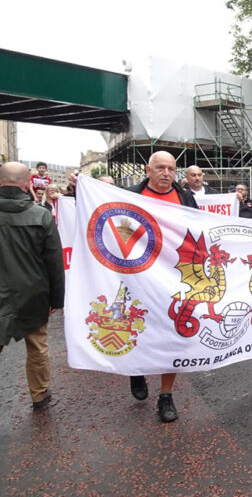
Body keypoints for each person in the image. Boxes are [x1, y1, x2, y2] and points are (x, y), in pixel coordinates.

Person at [70, 151, 199, 422]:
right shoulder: (128, 195)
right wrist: (78, 188)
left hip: (170, 279)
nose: (166, 173)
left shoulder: (186, 197)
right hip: (134, 277)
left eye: (171, 168)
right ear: (147, 170)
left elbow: (198, 232)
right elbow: (99, 217)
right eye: (160, 167)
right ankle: (135, 368)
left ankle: (166, 395)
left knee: (172, 335)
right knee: (134, 326)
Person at [0, 162, 65, 411]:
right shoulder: (41, 216)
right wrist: (57, 300)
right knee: (37, 347)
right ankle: (39, 396)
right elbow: (54, 263)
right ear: (28, 184)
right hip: (34, 293)